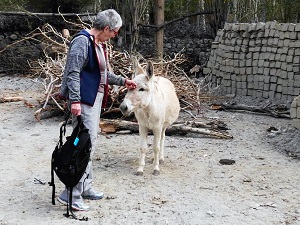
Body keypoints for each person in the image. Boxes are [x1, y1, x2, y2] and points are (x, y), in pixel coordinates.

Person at [58, 9, 137, 211]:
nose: (115, 35)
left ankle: (85, 186)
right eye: (115, 31)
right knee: (81, 146)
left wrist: (123, 81)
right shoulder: (82, 42)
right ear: (107, 28)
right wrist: (75, 101)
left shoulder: (98, 44)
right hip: (83, 102)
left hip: (93, 101)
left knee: (89, 144)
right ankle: (71, 194)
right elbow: (73, 73)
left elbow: (103, 75)